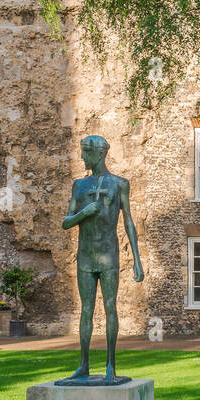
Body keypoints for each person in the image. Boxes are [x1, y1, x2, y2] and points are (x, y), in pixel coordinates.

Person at [55, 135, 144, 385]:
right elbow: (65, 222)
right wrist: (85, 212)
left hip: (108, 254)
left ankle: (110, 366)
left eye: (85, 152)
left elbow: (128, 221)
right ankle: (83, 365)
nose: (82, 156)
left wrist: (137, 260)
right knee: (85, 310)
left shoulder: (119, 184)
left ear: (99, 153)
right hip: (85, 255)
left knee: (110, 307)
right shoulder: (79, 186)